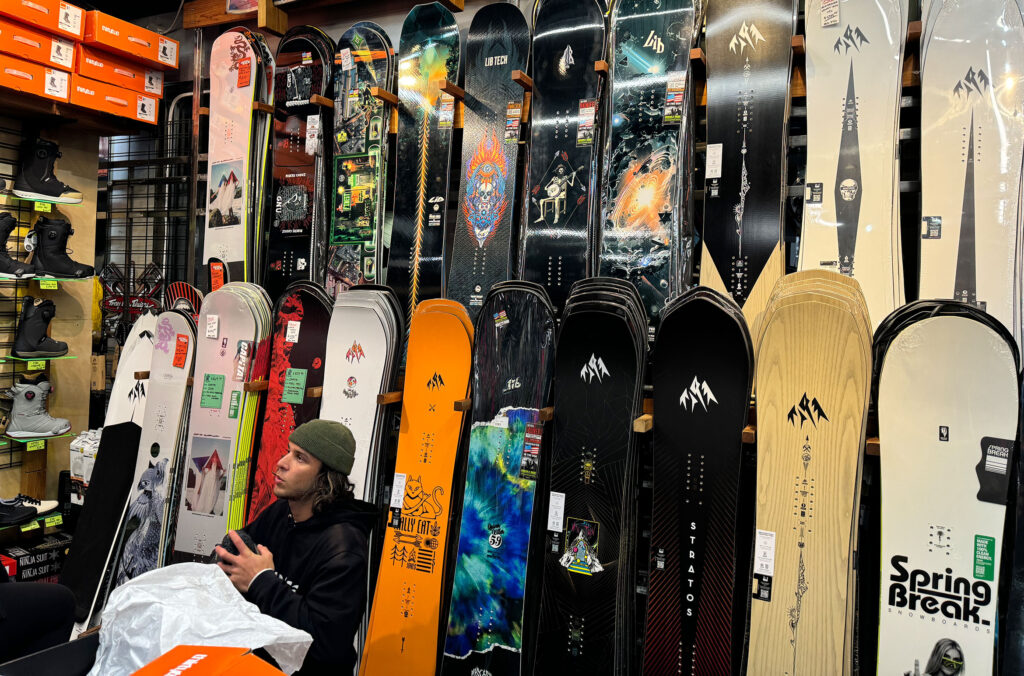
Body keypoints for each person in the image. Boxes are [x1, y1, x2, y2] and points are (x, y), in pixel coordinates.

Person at [215, 420, 378, 675]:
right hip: (258, 663)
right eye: (288, 451)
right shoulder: (282, 512)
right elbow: (238, 559)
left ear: (326, 478)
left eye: (300, 458)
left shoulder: (344, 548)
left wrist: (261, 581)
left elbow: (324, 645)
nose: (281, 462)